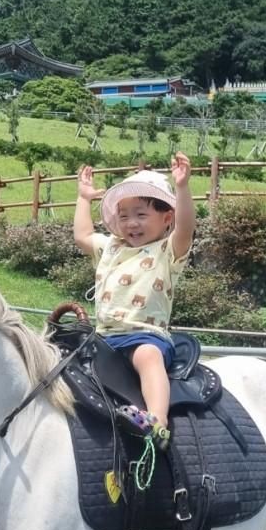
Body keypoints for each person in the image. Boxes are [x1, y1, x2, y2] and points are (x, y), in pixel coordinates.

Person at [73, 153, 195, 450]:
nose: (131, 223)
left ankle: (157, 421)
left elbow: (186, 229)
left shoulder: (167, 252)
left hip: (144, 334)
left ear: (167, 218)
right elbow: (82, 236)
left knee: (148, 357)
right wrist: (84, 198)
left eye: (141, 215)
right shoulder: (112, 247)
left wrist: (182, 188)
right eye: (124, 216)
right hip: (102, 336)